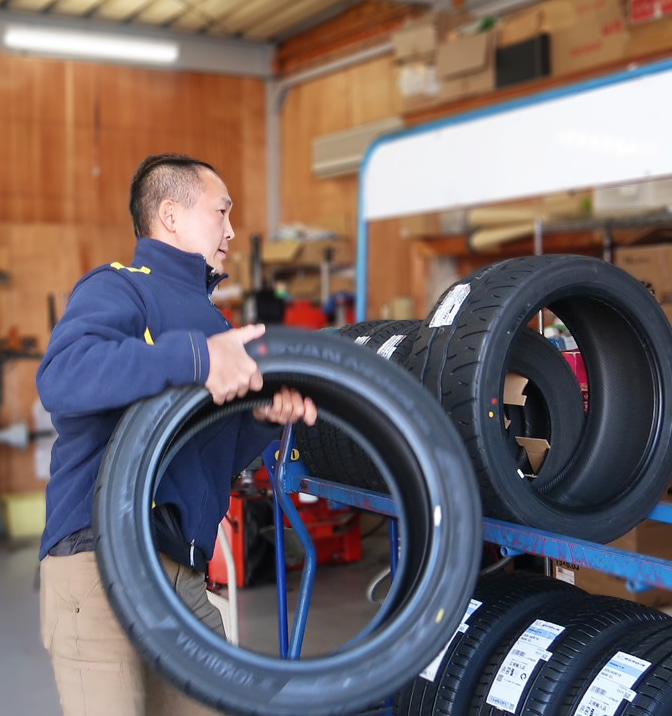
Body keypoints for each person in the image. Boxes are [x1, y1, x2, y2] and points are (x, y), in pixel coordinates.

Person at [36, 152, 317, 716]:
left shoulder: (216, 326)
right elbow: (63, 377)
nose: (232, 230)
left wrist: (261, 421)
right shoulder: (120, 289)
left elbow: (204, 457)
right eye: (222, 211)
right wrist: (194, 357)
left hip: (180, 573)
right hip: (98, 557)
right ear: (170, 214)